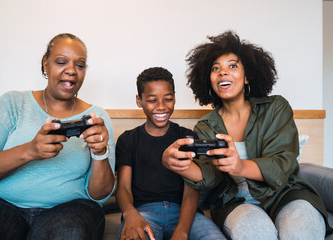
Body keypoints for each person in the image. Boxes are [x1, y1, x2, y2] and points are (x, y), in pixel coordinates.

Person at [162, 30, 332, 240]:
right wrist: (180, 165)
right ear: (209, 80)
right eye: (216, 68)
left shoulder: (276, 108)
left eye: (232, 66)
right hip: (235, 202)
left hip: (286, 195)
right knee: (256, 232)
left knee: (301, 231)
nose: (223, 72)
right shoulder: (206, 125)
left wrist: (240, 166)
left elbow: (281, 166)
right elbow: (210, 176)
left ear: (248, 75)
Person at [0, 33, 115, 240]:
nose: (71, 70)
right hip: (1, 205)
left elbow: (100, 195)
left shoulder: (98, 117)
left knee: (70, 233)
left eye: (80, 65)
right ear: (45, 64)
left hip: (70, 209)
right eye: (61, 62)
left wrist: (100, 153)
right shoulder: (12, 103)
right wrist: (30, 151)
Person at [115, 67, 226, 240]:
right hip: (143, 213)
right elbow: (123, 187)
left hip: (185, 214)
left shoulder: (187, 137)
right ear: (139, 100)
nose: (161, 106)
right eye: (152, 100)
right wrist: (130, 213)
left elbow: (191, 190)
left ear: (174, 97)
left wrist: (182, 231)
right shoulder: (128, 140)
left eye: (168, 99)